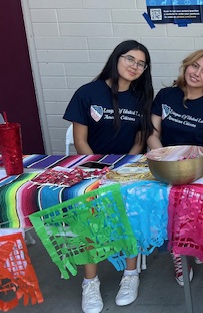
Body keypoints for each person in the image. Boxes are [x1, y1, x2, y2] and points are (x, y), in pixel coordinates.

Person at [63, 40, 154, 313]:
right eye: (129, 59)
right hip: (90, 167)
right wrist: (97, 171)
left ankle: (130, 275)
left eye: (140, 63)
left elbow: (140, 141)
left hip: (127, 168)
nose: (134, 66)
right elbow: (80, 139)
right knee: (86, 220)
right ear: (116, 58)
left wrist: (123, 170)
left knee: (131, 217)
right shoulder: (88, 92)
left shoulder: (141, 97)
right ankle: (90, 282)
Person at [146, 49, 203, 286]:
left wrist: (191, 168)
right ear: (186, 66)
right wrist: (162, 157)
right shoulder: (165, 96)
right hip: (164, 166)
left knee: (192, 201)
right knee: (167, 203)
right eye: (194, 66)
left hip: (199, 169)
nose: (197, 73)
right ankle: (179, 255)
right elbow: (152, 134)